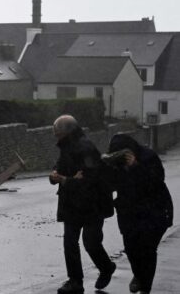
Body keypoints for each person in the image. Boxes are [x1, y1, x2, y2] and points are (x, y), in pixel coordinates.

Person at [49, 115, 116, 294]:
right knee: (70, 242)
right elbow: (61, 167)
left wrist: (65, 180)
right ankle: (75, 281)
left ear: (68, 132)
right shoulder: (66, 147)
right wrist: (54, 175)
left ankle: (107, 267)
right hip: (72, 204)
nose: (56, 137)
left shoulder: (86, 148)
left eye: (59, 133)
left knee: (91, 242)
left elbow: (90, 180)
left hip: (93, 205)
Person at [103, 134, 173, 294]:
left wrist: (135, 166)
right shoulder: (116, 163)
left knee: (147, 250)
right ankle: (140, 275)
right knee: (131, 248)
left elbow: (156, 182)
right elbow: (111, 184)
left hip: (154, 211)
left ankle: (145, 287)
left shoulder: (149, 157)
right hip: (129, 212)